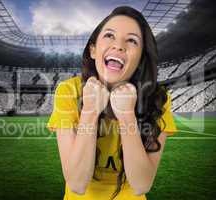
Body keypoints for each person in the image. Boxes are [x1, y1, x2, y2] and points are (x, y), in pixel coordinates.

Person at [47, 6, 177, 200]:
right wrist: (90, 111)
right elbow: (77, 183)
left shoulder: (157, 98)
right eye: (109, 36)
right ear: (93, 50)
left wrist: (127, 117)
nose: (119, 46)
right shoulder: (68, 91)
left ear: (141, 58)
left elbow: (141, 185)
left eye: (132, 40)